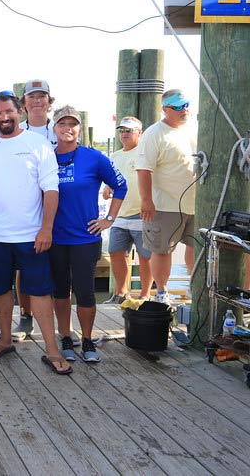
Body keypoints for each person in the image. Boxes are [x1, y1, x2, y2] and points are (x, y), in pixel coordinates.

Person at [0, 90, 70, 374]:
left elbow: (51, 189)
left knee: (39, 291)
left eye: (8, 112)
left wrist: (46, 228)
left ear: (20, 112)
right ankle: (3, 338)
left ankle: (50, 348)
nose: (4, 117)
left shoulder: (38, 144)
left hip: (31, 235)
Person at [49, 105, 127, 363]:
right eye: (62, 124)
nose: (67, 129)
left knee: (85, 292)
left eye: (72, 124)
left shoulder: (94, 158)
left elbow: (121, 185)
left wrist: (109, 219)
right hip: (55, 238)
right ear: (54, 128)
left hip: (85, 237)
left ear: (80, 129)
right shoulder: (46, 157)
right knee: (60, 291)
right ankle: (66, 338)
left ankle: (87, 339)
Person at [136, 89, 196, 304]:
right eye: (178, 106)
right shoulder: (154, 133)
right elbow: (143, 169)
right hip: (164, 205)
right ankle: (161, 291)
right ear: (165, 109)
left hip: (195, 204)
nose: (185, 110)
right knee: (161, 250)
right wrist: (146, 200)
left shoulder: (193, 130)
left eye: (186, 104)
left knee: (196, 246)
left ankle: (194, 286)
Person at [12, 79, 57, 342]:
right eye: (32, 96)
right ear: (24, 103)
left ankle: (62, 323)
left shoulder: (60, 129)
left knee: (60, 266)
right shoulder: (16, 131)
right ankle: (25, 316)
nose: (37, 101)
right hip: (27, 206)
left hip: (55, 204)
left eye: (42, 96)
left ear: (50, 101)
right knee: (22, 266)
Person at [104, 116, 153, 303]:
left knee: (145, 256)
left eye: (129, 130)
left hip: (143, 214)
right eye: (122, 131)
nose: (124, 134)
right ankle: (121, 293)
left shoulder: (145, 153)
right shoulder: (114, 156)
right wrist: (108, 188)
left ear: (140, 133)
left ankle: (145, 295)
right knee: (116, 253)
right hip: (119, 215)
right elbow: (110, 181)